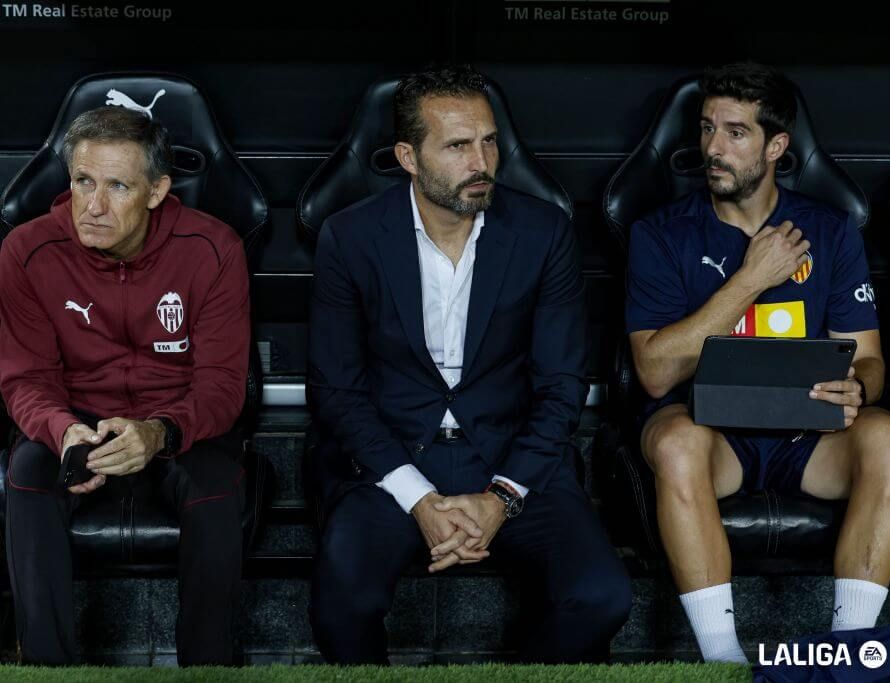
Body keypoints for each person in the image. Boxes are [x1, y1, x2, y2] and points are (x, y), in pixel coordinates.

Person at [307, 64, 631, 664]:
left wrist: (500, 497)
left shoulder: (543, 232)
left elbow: (562, 386)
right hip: (391, 463)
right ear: (408, 155)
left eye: (489, 141)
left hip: (514, 460)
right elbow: (337, 391)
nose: (482, 162)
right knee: (342, 603)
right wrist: (419, 499)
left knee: (601, 597)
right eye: (458, 146)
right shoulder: (350, 237)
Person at [625, 62, 890, 663]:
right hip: (712, 436)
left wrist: (858, 387)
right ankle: (722, 662)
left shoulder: (828, 232)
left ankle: (848, 654)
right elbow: (653, 371)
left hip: (809, 438)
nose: (712, 149)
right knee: (674, 441)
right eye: (705, 129)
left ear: (777, 145)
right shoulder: (662, 234)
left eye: (735, 132)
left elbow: (872, 360)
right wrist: (751, 280)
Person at [0, 105, 250, 665]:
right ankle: (48, 671)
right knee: (27, 477)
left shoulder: (214, 248)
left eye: (118, 186)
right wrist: (64, 431)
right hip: (77, 418)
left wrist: (160, 432)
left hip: (179, 422)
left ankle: (208, 671)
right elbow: (25, 380)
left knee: (215, 487)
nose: (93, 206)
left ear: (157, 191)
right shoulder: (27, 249)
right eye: (84, 182)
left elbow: (222, 387)